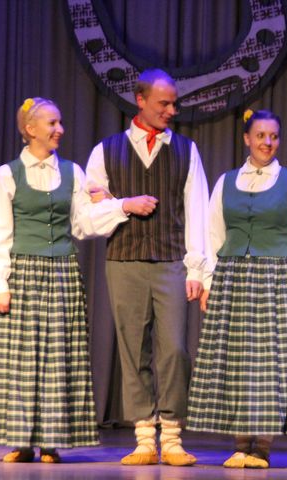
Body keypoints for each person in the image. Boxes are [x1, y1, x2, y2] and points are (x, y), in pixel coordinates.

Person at [186, 109, 287, 469]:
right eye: (261, 135)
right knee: (235, 361)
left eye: (273, 136)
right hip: (233, 277)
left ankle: (261, 445)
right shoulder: (226, 181)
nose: (267, 142)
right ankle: (239, 443)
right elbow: (213, 233)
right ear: (247, 138)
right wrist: (208, 281)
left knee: (270, 363)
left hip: (276, 278)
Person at [85, 69, 209, 466]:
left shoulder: (186, 150)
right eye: (163, 103)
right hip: (124, 261)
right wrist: (123, 204)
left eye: (174, 103)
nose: (172, 110)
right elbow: (86, 216)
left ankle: (171, 436)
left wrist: (197, 269)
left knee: (174, 349)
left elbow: (198, 212)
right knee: (133, 348)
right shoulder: (106, 151)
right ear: (140, 100)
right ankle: (143, 436)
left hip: (171, 260)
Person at [0, 97, 107, 463]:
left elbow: (82, 224)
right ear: (30, 129)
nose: (60, 130)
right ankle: (21, 440)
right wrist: (0, 283)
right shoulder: (7, 175)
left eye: (60, 122)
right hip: (22, 272)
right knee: (20, 358)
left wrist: (114, 206)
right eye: (52, 123)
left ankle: (52, 440)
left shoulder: (72, 172)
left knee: (59, 355)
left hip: (62, 271)